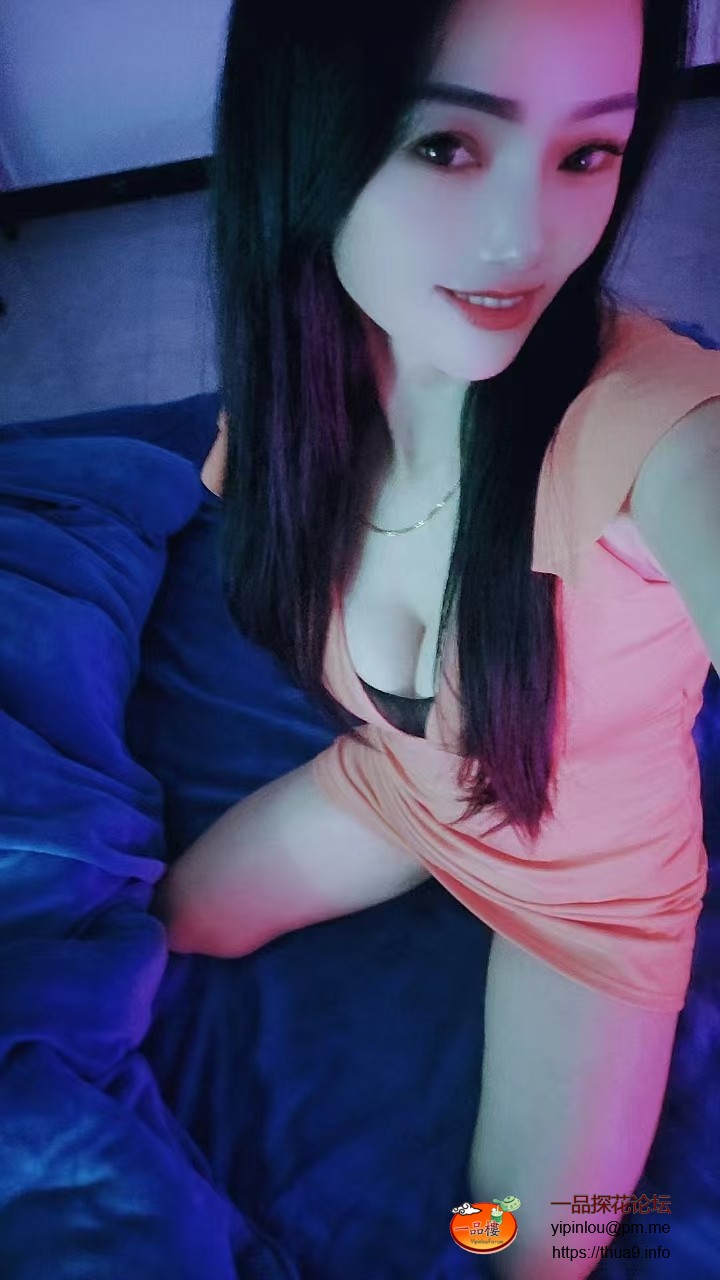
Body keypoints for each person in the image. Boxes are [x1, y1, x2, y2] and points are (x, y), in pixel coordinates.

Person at [152, 0, 720, 1275]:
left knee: (528, 1249)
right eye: (446, 145)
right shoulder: (306, 390)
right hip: (393, 793)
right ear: (304, 135)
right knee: (166, 925)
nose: (527, 238)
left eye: (587, 152)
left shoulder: (662, 430)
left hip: (590, 905)